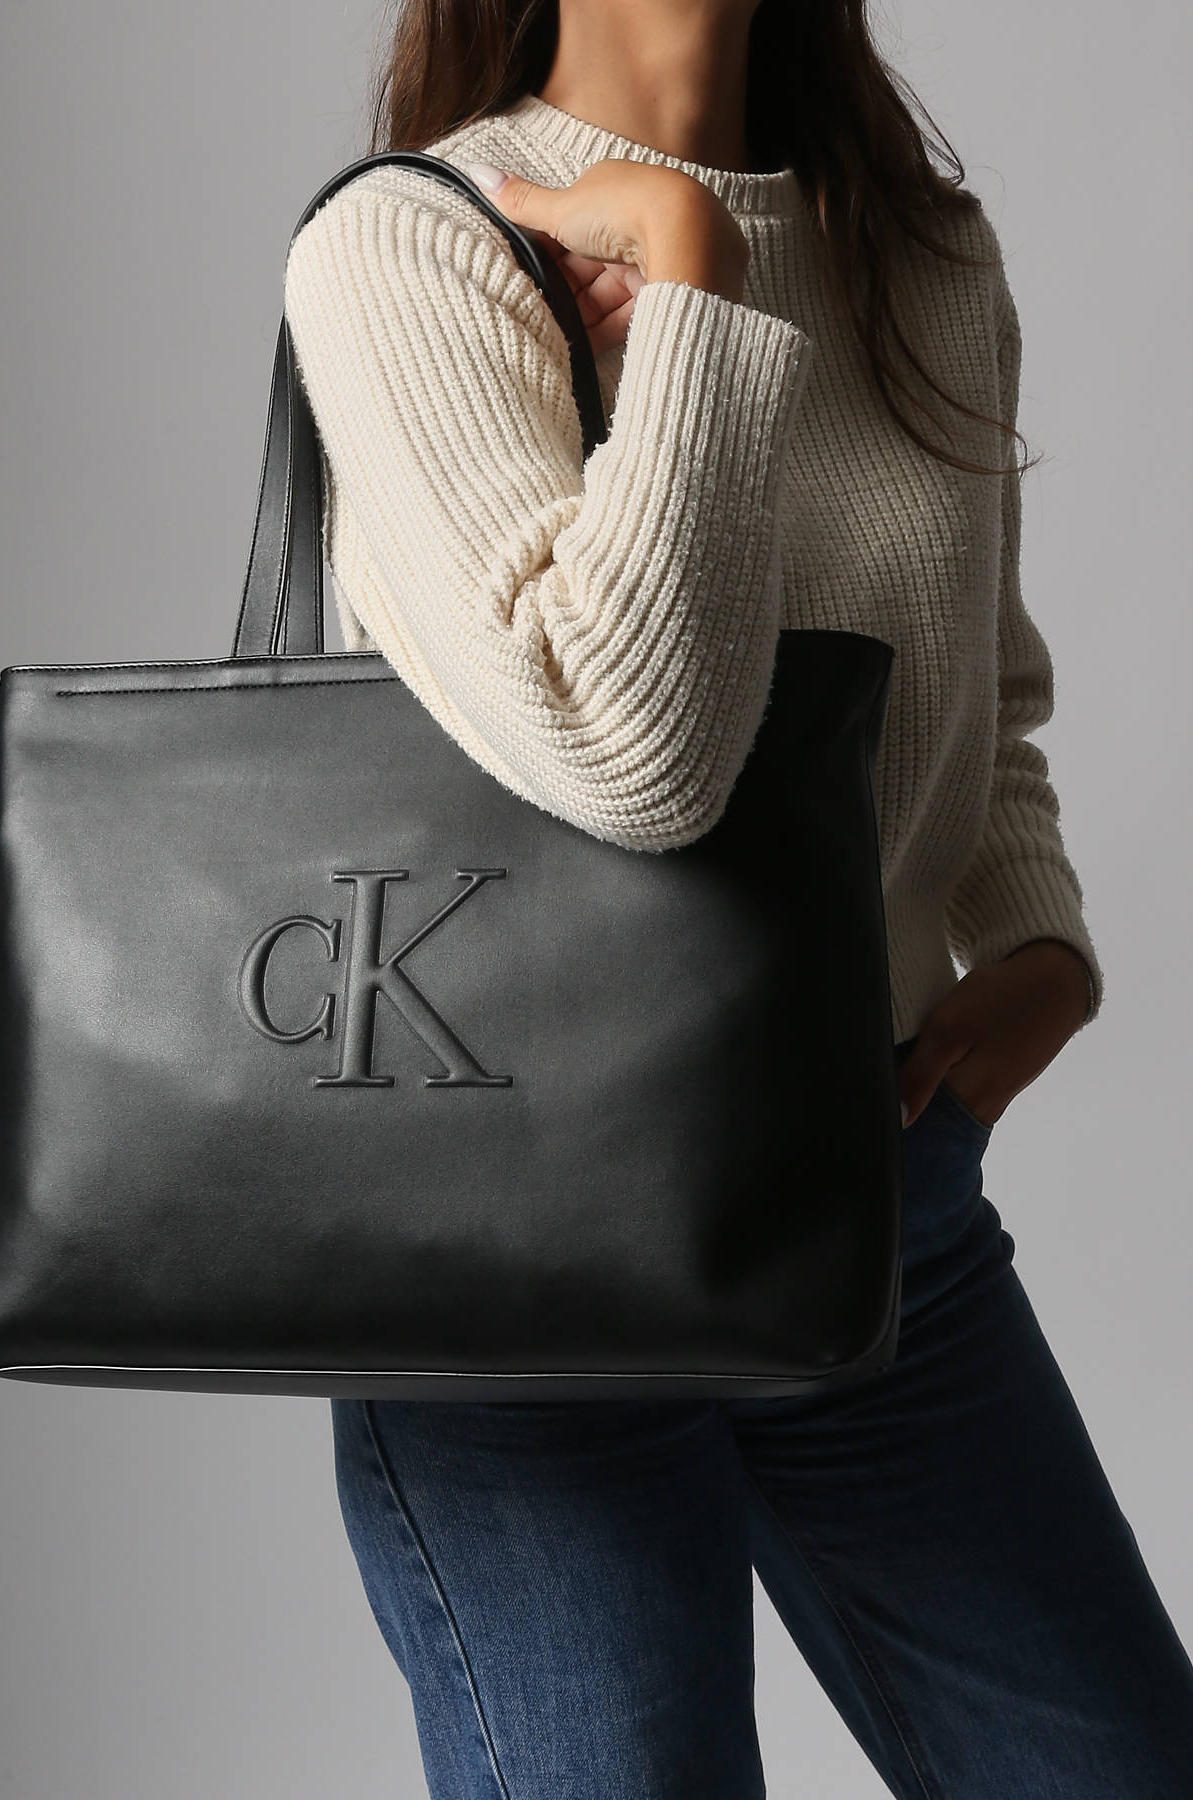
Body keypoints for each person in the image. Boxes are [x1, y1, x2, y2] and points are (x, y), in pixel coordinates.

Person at [283, 1, 1193, 1792]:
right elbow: (630, 755)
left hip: (876, 1201)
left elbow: (975, 683)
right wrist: (692, 281)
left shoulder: (918, 251)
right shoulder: (414, 243)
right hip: (517, 1268)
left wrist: (1036, 940)